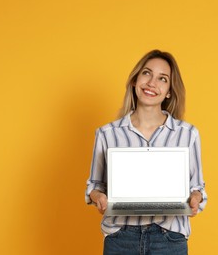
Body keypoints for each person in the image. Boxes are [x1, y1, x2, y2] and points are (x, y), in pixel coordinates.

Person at [85, 49, 207, 255]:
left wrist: (195, 198)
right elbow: (94, 187)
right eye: (147, 73)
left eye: (162, 78)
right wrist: (99, 198)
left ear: (169, 90)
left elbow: (198, 188)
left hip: (169, 238)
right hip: (120, 237)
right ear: (135, 80)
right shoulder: (107, 134)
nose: (152, 83)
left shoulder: (187, 134)